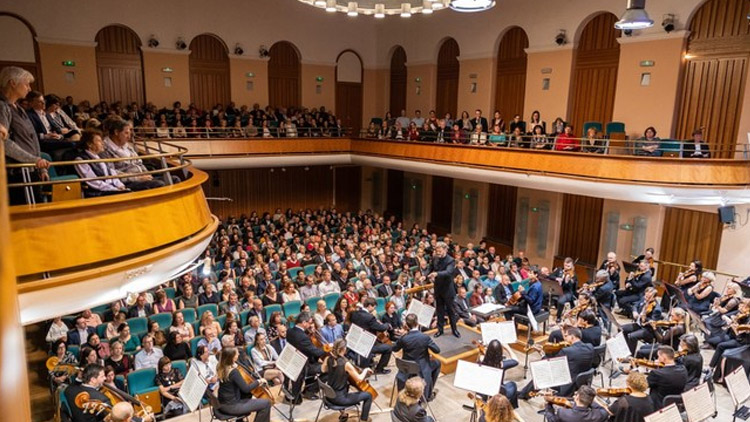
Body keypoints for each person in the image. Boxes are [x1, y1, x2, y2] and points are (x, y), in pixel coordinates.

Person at [1, 67, 50, 205]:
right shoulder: (2, 106)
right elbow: (4, 142)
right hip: (18, 172)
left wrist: (41, 166)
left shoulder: (19, 108)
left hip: (30, 169)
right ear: (12, 83)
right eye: (26, 84)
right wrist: (34, 159)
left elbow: (32, 138)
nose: (29, 89)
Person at [101, 117, 165, 191]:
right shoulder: (104, 149)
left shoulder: (128, 146)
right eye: (126, 133)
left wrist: (147, 173)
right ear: (116, 132)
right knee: (159, 184)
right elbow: (112, 172)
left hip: (142, 177)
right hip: (128, 182)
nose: (129, 136)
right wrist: (137, 178)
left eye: (130, 133)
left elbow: (139, 163)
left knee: (174, 179)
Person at [320, 339, 374, 422]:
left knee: (346, 385)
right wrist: (366, 370)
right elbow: (359, 378)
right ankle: (364, 420)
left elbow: (323, 370)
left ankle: (343, 414)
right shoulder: (346, 364)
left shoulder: (328, 358)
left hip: (329, 396)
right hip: (339, 399)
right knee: (368, 395)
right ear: (344, 349)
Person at [392, 314, 441, 401]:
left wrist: (403, 335)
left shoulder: (404, 338)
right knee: (437, 363)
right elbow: (437, 350)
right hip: (421, 367)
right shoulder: (425, 337)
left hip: (406, 367)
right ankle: (428, 394)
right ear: (417, 323)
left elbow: (395, 349)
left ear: (406, 325)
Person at [216, 347, 272, 422]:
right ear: (232, 357)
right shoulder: (233, 372)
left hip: (222, 403)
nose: (238, 354)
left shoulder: (221, 367)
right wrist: (259, 381)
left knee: (247, 395)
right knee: (266, 403)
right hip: (232, 406)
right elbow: (246, 389)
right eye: (236, 354)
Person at [74, 129, 130, 197]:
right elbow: (93, 182)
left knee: (144, 185)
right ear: (89, 144)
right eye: (99, 141)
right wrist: (114, 189)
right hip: (99, 192)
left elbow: (112, 174)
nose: (103, 143)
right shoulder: (81, 160)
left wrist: (120, 185)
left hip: (112, 188)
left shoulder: (100, 156)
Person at [287, 312, 326, 401]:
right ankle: (309, 390)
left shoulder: (290, 331)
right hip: (304, 366)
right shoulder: (302, 336)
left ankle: (308, 387)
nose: (310, 325)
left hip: (294, 362)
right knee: (329, 369)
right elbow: (315, 352)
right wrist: (326, 349)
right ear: (304, 323)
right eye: (309, 323)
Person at [349, 297, 393, 374]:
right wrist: (387, 324)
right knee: (388, 348)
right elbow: (381, 328)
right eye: (373, 307)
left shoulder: (355, 313)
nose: (374, 310)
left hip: (355, 343)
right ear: (369, 306)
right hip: (367, 345)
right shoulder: (369, 317)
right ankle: (379, 369)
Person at [428, 242, 459, 338]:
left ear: (445, 250)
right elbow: (430, 269)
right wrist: (425, 276)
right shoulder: (435, 258)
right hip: (438, 288)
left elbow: (448, 272)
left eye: (440, 251)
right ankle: (440, 330)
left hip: (448, 290)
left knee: (451, 311)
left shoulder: (451, 260)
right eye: (437, 251)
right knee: (439, 311)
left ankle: (454, 330)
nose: (438, 253)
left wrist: (436, 274)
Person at [480, 340, 519, 408]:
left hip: (484, 392)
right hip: (499, 393)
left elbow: (482, 356)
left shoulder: (481, 360)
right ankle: (512, 407)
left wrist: (484, 350)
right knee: (513, 384)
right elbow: (516, 361)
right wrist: (507, 348)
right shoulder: (502, 365)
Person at [543, 385, 608, 422]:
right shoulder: (598, 416)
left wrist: (548, 404)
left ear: (577, 397)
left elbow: (551, 419)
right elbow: (603, 410)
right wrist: (590, 400)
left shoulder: (563, 413)